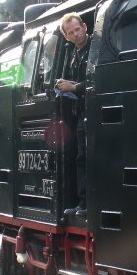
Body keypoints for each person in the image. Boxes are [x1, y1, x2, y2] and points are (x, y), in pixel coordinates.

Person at [55, 12, 91, 218]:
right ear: (66, 37)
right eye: (71, 32)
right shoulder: (71, 54)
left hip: (95, 110)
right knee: (79, 157)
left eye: (78, 29)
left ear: (85, 27)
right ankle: (82, 202)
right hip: (81, 111)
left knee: (86, 156)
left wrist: (74, 87)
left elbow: (99, 80)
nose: (76, 34)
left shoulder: (96, 48)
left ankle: (87, 203)